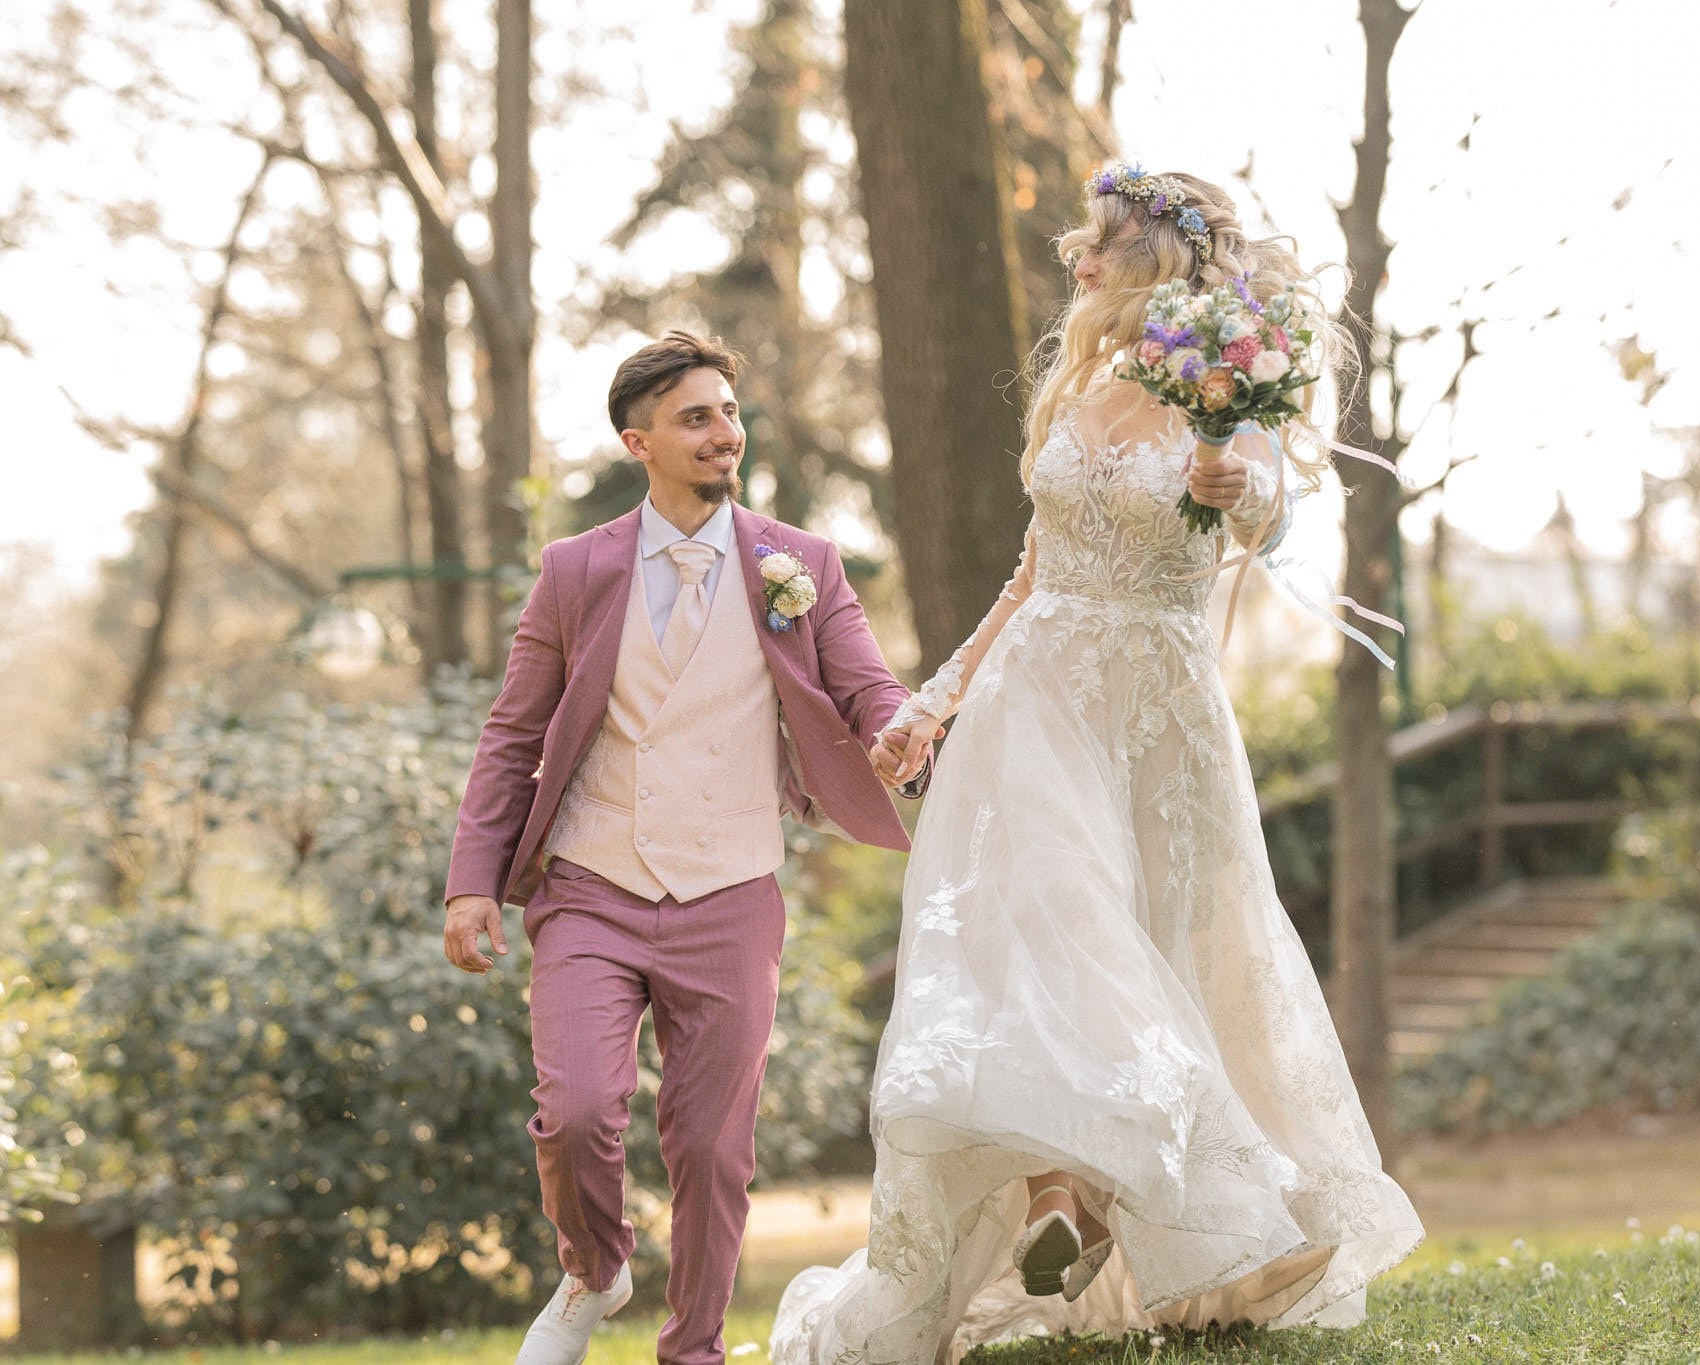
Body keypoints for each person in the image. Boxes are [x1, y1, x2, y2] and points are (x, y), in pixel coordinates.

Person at [771, 167, 1424, 1365]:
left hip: (1162, 721)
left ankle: (1181, 1227)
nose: (1075, 261)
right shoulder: (1075, 386)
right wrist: (934, 697)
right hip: (1035, 708)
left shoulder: (1234, 387)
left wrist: (1244, 487)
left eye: (1099, 242)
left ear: (1162, 257)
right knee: (1061, 936)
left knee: (1176, 953)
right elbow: (1032, 576)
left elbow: (1265, 511)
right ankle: (1067, 1196)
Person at [442, 330, 922, 1365]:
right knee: (573, 1113)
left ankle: (694, 1349)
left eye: (728, 414)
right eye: (695, 417)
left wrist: (897, 728)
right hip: (590, 882)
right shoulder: (575, 572)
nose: (722, 434)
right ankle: (595, 1266)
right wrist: (470, 885)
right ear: (638, 440)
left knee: (711, 1150)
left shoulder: (802, 566)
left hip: (730, 887)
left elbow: (864, 687)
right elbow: (513, 733)